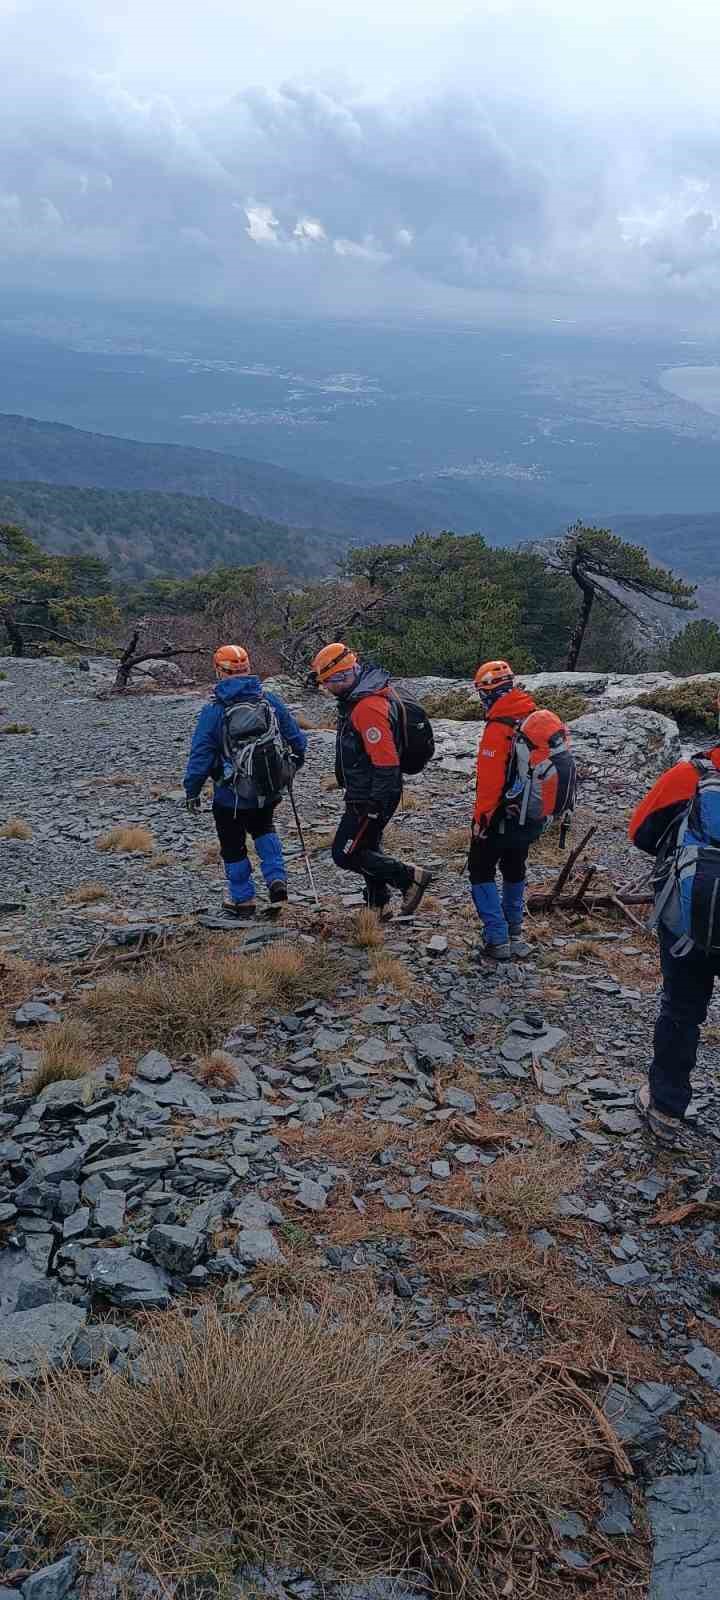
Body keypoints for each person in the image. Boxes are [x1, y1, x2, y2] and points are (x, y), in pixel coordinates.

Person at [628, 702, 720, 1147]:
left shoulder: (691, 776)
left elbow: (639, 832)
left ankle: (665, 1107)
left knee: (681, 1011)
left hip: (688, 924)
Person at [310, 642, 433, 918]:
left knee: (345, 853)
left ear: (342, 676)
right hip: (371, 790)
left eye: (327, 683)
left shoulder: (367, 708)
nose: (326, 689)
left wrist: (374, 804)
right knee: (367, 845)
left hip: (372, 795)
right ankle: (377, 905)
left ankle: (408, 877)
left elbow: (386, 761)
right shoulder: (365, 695)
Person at [184, 644, 307, 919]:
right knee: (265, 828)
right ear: (247, 668)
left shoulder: (214, 711)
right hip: (268, 787)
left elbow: (201, 756)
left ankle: (244, 900)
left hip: (230, 795)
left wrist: (192, 790)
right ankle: (277, 881)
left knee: (233, 845)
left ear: (219, 671)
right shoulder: (269, 700)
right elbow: (297, 739)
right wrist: (291, 767)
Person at [468, 659, 541, 960]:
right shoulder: (534, 716)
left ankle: (496, 938)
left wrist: (480, 820)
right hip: (531, 813)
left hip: (500, 815)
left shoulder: (500, 726)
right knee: (514, 867)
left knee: (480, 869)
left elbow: (489, 781)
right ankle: (515, 932)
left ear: (487, 691)